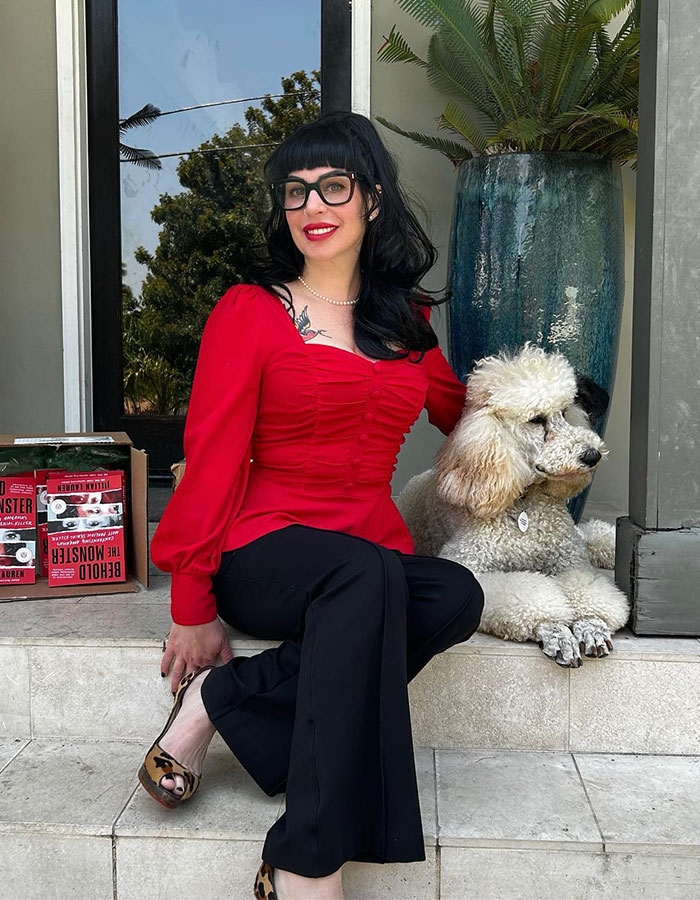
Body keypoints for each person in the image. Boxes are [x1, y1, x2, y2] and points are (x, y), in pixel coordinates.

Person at [139, 111, 485, 900]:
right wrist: (193, 600)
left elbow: (460, 412)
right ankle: (307, 860)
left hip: (364, 553)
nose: (312, 205)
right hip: (263, 546)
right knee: (367, 579)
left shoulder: (408, 325)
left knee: (454, 595)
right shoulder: (251, 311)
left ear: (371, 199)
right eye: (294, 192)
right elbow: (213, 458)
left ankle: (220, 702)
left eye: (334, 185)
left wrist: (540, 409)